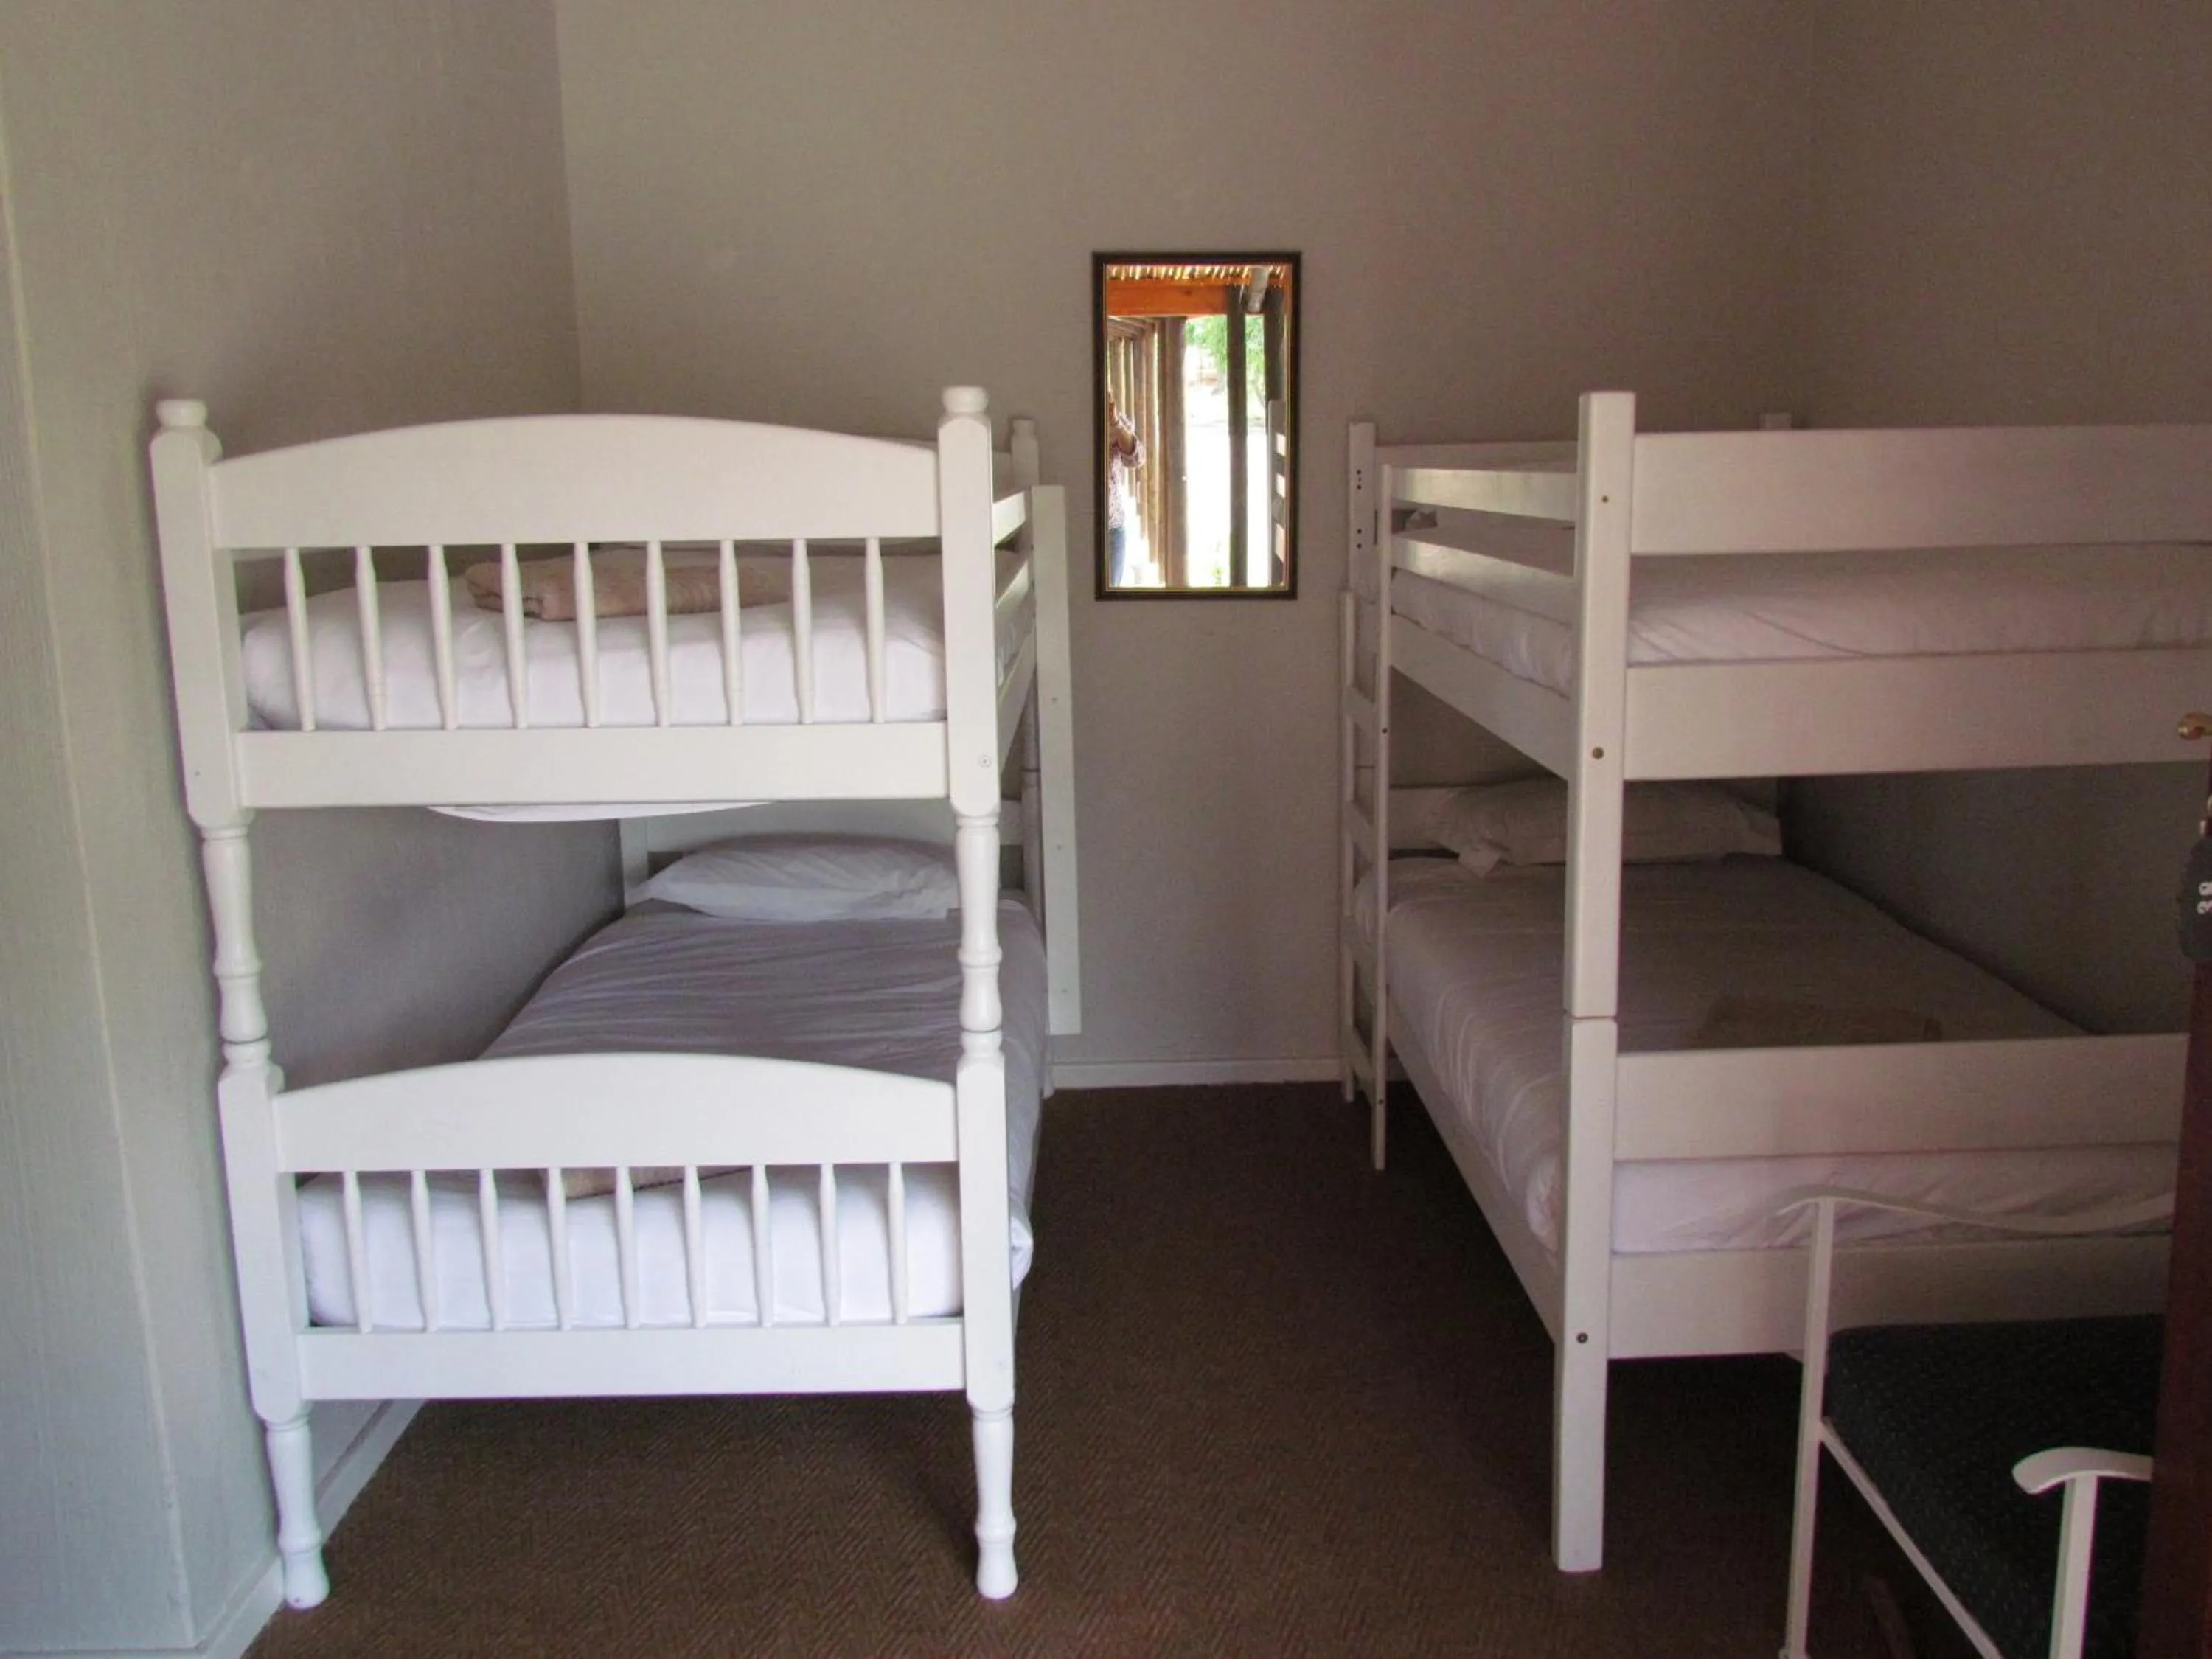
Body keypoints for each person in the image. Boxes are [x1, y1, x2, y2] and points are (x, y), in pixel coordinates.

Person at [1105, 392, 1144, 586]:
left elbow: (1136, 459)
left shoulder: (1116, 421)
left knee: (1111, 595)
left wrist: (1115, 423)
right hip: (1077, 524)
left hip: (1112, 527)